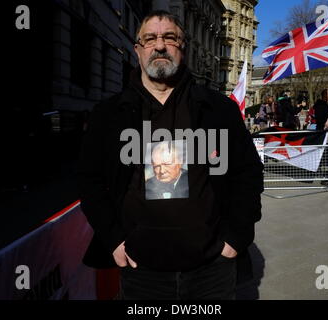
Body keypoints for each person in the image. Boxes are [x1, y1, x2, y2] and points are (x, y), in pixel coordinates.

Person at [77, 10, 264, 300]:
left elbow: (248, 173)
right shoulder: (109, 115)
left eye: (170, 38)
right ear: (137, 49)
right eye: (150, 38)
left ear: (183, 48)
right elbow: (89, 182)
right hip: (141, 270)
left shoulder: (218, 109)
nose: (160, 45)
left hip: (212, 269)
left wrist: (236, 238)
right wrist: (113, 240)